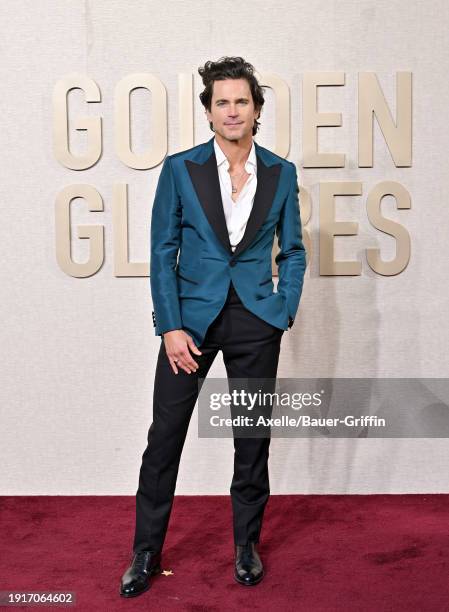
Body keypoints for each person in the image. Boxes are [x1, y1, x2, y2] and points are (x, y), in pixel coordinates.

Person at [120, 56, 306, 598]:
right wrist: (169, 326)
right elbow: (162, 252)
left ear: (256, 109)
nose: (232, 111)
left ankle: (246, 545)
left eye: (241, 102)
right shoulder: (180, 169)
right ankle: (146, 551)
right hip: (190, 324)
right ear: (208, 111)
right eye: (221, 102)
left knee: (251, 439)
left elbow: (292, 250)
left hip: (255, 320)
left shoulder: (281, 172)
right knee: (164, 439)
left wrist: (283, 309)